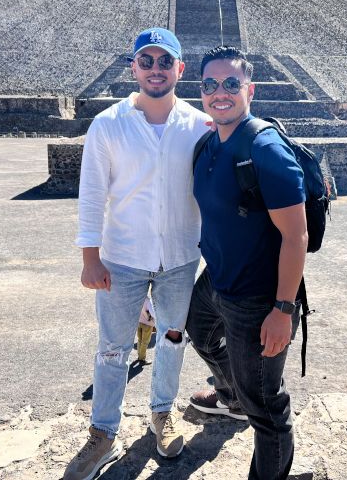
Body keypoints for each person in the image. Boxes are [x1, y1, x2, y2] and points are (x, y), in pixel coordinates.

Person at [64, 27, 211, 480]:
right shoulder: (108, 124)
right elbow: (92, 195)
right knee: (112, 348)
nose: (155, 69)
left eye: (165, 61)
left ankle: (161, 413)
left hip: (180, 257)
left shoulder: (199, 124)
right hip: (121, 257)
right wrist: (90, 257)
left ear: (179, 70)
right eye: (146, 61)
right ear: (134, 68)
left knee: (172, 339)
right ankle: (103, 432)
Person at [187, 46, 307, 480]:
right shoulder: (210, 142)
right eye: (210, 85)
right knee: (199, 333)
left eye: (231, 84)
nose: (220, 93)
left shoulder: (265, 149)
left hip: (258, 298)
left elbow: (296, 236)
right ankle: (231, 397)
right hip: (217, 281)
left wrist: (283, 310)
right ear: (200, 91)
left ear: (249, 90)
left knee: (268, 408)